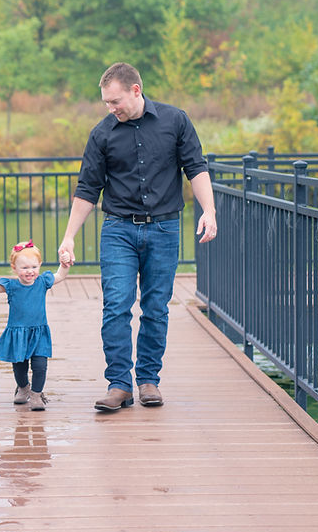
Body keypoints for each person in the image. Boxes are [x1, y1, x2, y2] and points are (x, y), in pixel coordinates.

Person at [58, 62, 218, 412]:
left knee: (156, 307)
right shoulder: (102, 134)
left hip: (164, 228)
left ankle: (148, 381)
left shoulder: (175, 121)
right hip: (118, 229)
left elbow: (196, 167)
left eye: (115, 101)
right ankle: (119, 385)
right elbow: (88, 188)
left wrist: (209, 210)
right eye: (106, 102)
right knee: (116, 305)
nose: (110, 108)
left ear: (135, 90)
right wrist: (69, 237)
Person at [0, 241, 72, 411]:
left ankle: (36, 395)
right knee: (19, 368)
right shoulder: (11, 286)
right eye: (24, 267)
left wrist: (64, 264)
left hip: (39, 333)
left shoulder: (42, 282)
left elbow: (60, 275)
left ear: (40, 265)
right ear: (14, 268)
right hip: (18, 334)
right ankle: (23, 388)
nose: (30, 271)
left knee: (40, 366)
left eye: (34, 267)